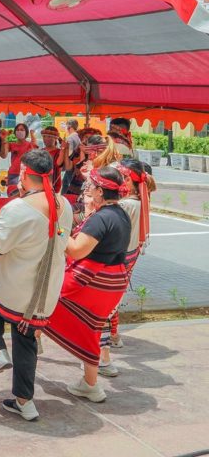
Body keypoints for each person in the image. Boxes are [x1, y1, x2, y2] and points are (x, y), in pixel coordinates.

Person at [0, 148, 73, 422]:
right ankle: (25, 401)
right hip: (43, 296)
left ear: (24, 175)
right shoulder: (64, 204)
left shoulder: (17, 208)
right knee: (26, 341)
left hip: (15, 292)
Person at [43, 165, 132, 403]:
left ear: (101, 192)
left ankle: (31, 346)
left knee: (39, 306)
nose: (88, 188)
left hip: (93, 281)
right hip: (111, 282)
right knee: (90, 329)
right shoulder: (118, 213)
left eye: (91, 185)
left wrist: (57, 226)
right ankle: (90, 384)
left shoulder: (102, 218)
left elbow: (76, 250)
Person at [99, 158, 153, 372]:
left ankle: (103, 357)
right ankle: (113, 336)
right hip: (126, 259)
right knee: (113, 301)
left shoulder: (125, 205)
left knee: (103, 305)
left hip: (115, 260)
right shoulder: (141, 201)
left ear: (128, 180)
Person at [6, 123, 35, 191]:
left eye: (22, 130)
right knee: (12, 194)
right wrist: (6, 136)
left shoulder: (28, 145)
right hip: (13, 173)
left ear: (26, 132)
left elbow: (34, 146)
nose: (19, 131)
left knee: (23, 195)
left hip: (25, 174)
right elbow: (4, 151)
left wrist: (32, 134)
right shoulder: (12, 144)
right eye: (18, 130)